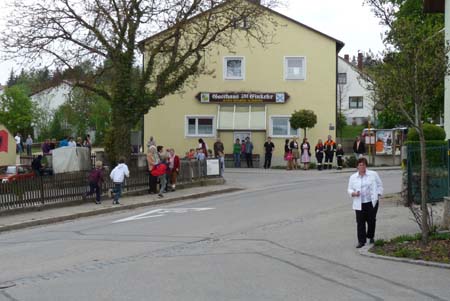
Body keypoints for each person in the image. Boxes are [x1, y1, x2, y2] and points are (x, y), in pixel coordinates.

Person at [347, 157, 383, 248]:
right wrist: (353, 193)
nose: (362, 166)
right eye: (360, 165)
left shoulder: (373, 174)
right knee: (360, 222)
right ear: (357, 167)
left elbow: (379, 185)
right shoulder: (353, 177)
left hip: (371, 202)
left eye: (363, 164)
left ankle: (370, 236)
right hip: (359, 203)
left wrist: (378, 193)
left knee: (371, 220)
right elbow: (349, 189)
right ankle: (361, 241)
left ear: (366, 166)